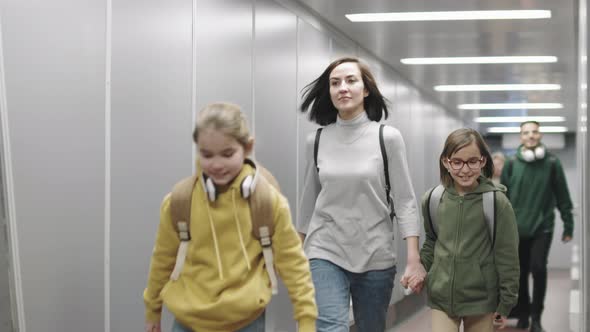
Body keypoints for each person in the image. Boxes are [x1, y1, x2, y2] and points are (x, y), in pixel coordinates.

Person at [143, 102, 318, 332]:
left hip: (246, 321)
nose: (216, 164)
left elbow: (293, 264)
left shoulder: (267, 202)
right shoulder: (180, 201)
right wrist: (153, 309)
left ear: (247, 148)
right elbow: (162, 260)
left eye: (227, 154)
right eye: (207, 155)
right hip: (189, 322)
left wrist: (306, 319)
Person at [297, 57, 426, 332]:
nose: (342, 88)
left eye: (350, 80)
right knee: (330, 327)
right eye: (335, 83)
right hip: (325, 249)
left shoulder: (387, 138)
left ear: (366, 90)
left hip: (375, 252)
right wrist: (295, 253)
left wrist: (413, 259)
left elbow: (405, 201)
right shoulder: (317, 140)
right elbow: (308, 201)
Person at [420, 128, 519, 332]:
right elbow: (432, 241)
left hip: (481, 300)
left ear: (483, 161)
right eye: (457, 162)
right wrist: (421, 269)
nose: (465, 170)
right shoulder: (432, 199)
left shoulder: (496, 202)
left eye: (472, 161)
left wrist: (506, 302)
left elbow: (507, 256)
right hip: (442, 298)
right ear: (446, 162)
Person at [501, 120, 574, 332]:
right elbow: (502, 198)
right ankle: (523, 312)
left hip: (543, 226)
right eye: (526, 132)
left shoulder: (552, 163)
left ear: (540, 135)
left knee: (538, 267)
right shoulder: (512, 163)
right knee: (520, 273)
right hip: (516, 228)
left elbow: (563, 195)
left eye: (534, 132)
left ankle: (536, 316)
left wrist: (568, 225)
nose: (531, 135)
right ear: (521, 137)